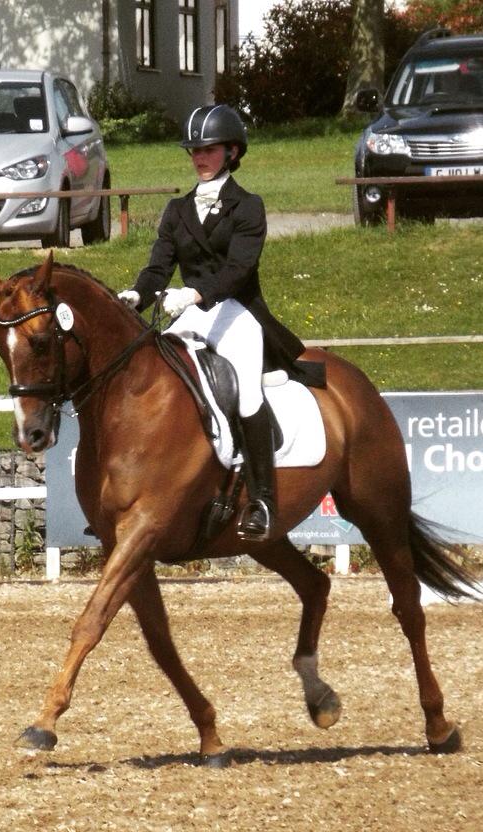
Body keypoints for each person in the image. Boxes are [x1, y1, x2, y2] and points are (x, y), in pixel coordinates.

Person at [118, 103, 309, 542]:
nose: (199, 158)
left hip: (237, 314)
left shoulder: (248, 206)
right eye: (194, 151)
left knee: (245, 397)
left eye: (208, 149)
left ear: (232, 151)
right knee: (153, 381)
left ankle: (263, 500)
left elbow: (239, 269)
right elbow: (157, 269)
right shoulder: (177, 210)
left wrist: (197, 294)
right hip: (191, 315)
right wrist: (137, 293)